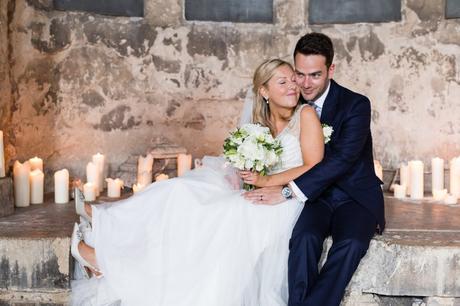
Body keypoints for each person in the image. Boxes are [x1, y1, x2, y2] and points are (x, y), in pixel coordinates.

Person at [70, 58, 325, 306]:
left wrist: (267, 180)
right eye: (283, 82)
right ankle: (105, 220)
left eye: (293, 80)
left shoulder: (305, 115)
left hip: (285, 200)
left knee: (219, 215)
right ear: (264, 90)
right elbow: (248, 166)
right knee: (180, 190)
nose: (293, 86)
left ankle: (107, 264)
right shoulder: (261, 122)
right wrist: (241, 171)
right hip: (260, 190)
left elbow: (313, 166)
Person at [243, 33, 385, 306]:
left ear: (330, 70)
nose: (305, 84)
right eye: (299, 74)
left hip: (353, 195)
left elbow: (342, 160)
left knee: (351, 244)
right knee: (304, 239)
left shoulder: (356, 104)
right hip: (316, 198)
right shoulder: (288, 101)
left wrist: (285, 191)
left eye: (315, 75)